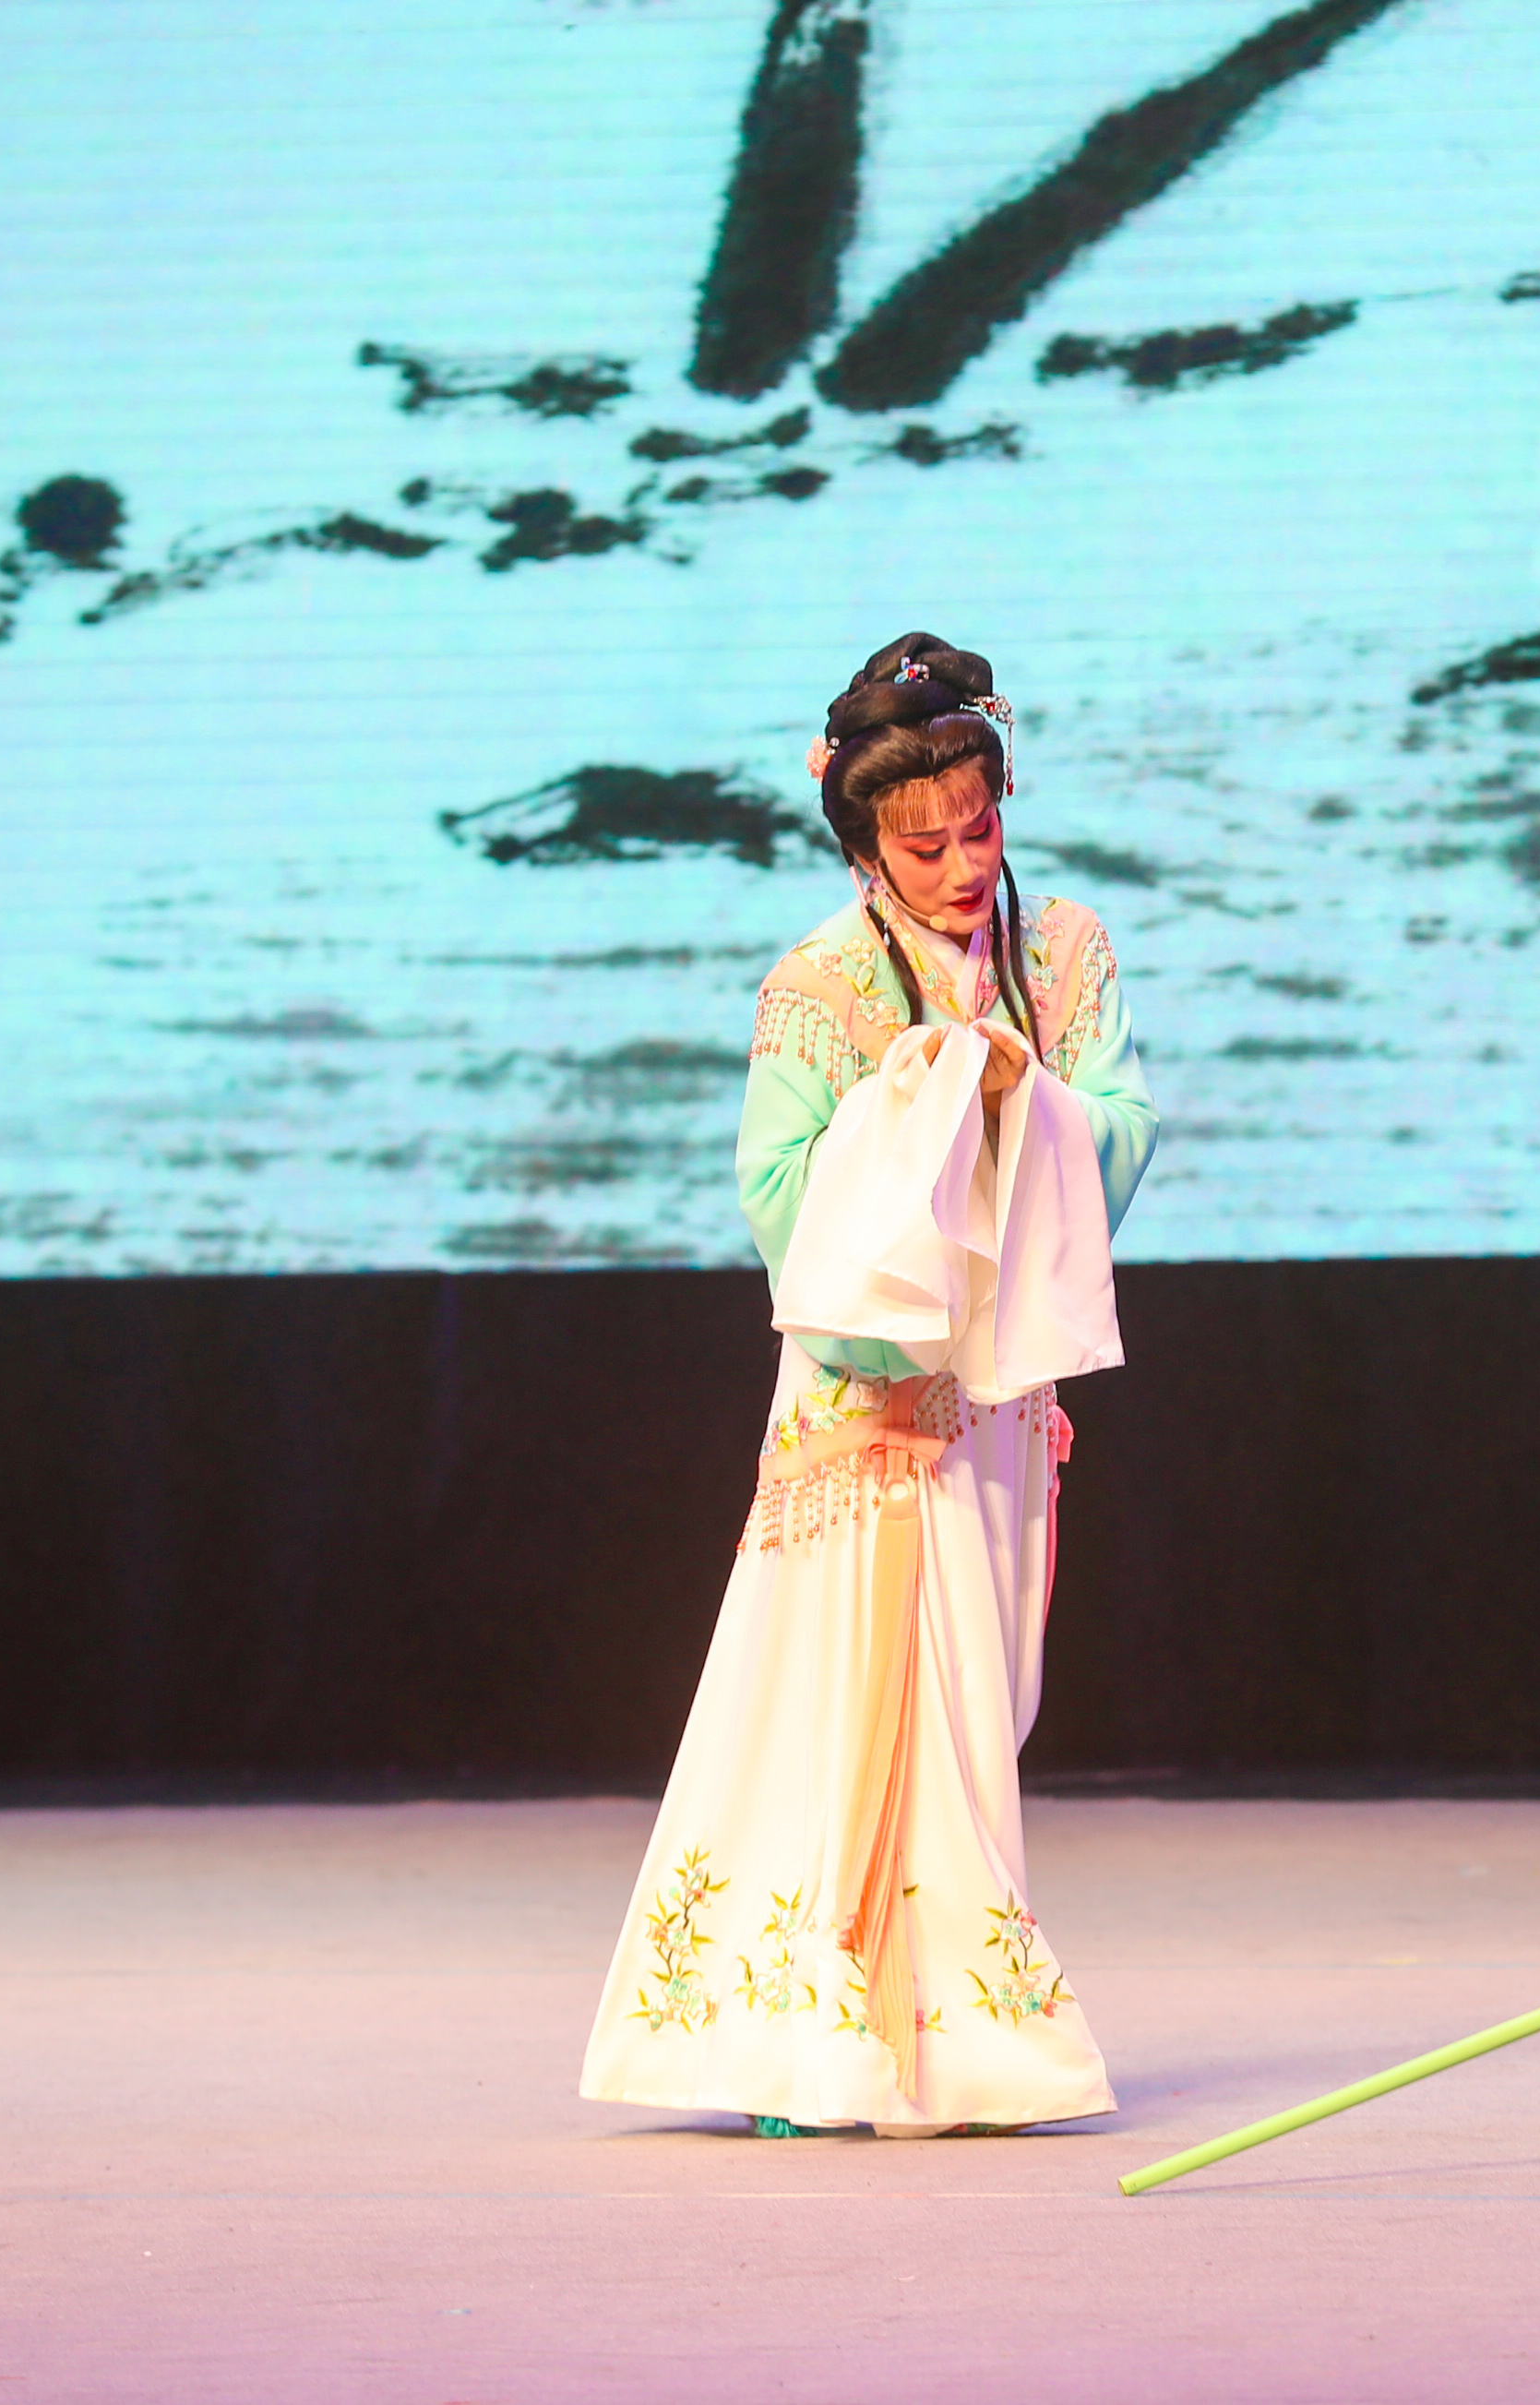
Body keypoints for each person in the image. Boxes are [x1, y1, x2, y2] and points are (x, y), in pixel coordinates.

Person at [579, 632, 1156, 2136]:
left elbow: (1122, 1125)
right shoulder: (820, 986)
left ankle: (931, 2031)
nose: (964, 865)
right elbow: (776, 1191)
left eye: (981, 825)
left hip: (997, 1398)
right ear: (862, 846)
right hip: (866, 1409)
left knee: (976, 1716)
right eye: (924, 843)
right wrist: (914, 1106)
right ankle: (813, 2036)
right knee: (842, 1715)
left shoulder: (1061, 952)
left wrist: (1019, 1102)